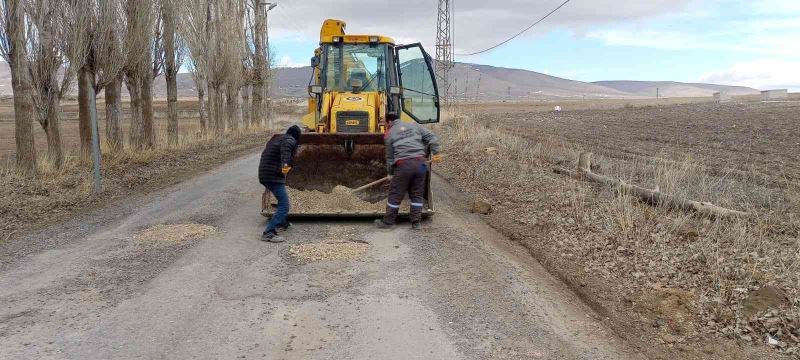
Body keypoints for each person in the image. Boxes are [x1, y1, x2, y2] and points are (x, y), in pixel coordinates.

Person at [375, 113, 442, 230]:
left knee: (396, 193)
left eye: (385, 123)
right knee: (417, 193)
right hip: (421, 164)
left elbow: (390, 157)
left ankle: (388, 222)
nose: (385, 125)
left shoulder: (389, 134)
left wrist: (390, 173)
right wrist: (436, 153)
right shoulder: (414, 126)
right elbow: (432, 138)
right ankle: (416, 223)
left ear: (389, 122)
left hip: (404, 165)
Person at [258, 125, 301, 242]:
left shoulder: (279, 138)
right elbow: (286, 152)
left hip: (265, 174)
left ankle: (282, 222)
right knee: (284, 205)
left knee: (280, 199)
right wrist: (285, 168)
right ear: (297, 136)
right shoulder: (289, 140)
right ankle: (268, 232)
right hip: (272, 176)